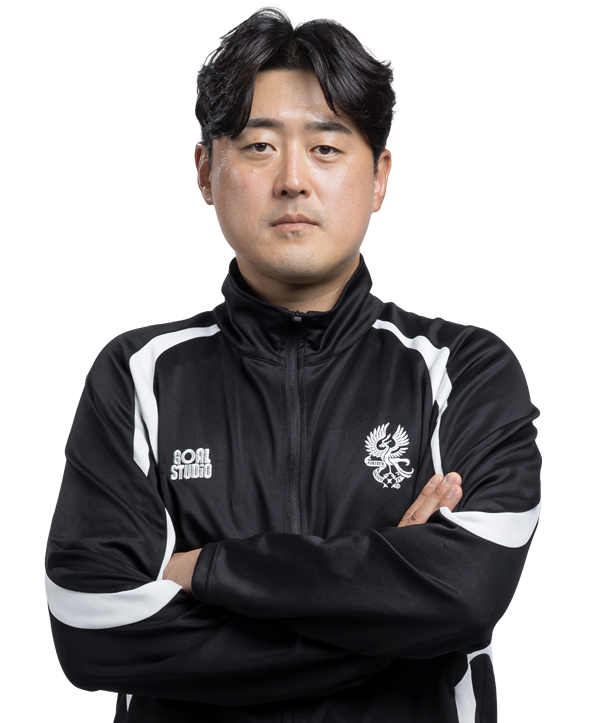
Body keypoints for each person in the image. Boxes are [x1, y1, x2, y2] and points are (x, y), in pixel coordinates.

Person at [45, 18, 541, 723]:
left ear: (380, 178)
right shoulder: (139, 377)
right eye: (259, 146)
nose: (293, 181)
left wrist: (203, 568)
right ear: (205, 173)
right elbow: (91, 622)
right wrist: (395, 614)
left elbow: (466, 593)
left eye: (326, 147)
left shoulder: (464, 371)